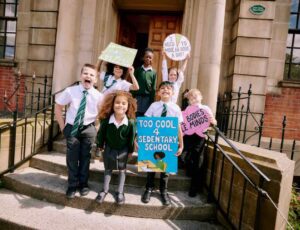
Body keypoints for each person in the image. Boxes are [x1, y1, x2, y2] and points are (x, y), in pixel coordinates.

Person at [55, 63, 103, 199]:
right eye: (86, 73)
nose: (88, 76)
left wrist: (96, 128)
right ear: (81, 76)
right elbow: (58, 107)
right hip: (72, 127)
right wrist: (62, 127)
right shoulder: (71, 91)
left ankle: (83, 184)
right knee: (72, 157)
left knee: (85, 157)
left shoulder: (99, 96)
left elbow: (101, 114)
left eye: (92, 75)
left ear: (96, 79)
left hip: (88, 128)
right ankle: (72, 184)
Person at [141, 81, 184, 206]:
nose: (165, 90)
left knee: (165, 169)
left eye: (168, 88)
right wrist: (141, 139)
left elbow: (178, 128)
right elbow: (146, 123)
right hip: (154, 139)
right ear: (158, 92)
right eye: (163, 88)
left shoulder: (176, 108)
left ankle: (163, 191)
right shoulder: (154, 106)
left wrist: (181, 145)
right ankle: (149, 188)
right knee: (151, 166)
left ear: (173, 92)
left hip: (169, 141)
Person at [95, 90, 137, 205]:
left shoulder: (131, 123)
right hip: (109, 147)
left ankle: (120, 192)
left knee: (122, 169)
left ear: (128, 106)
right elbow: (101, 134)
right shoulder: (106, 120)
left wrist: (130, 150)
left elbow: (131, 137)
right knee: (108, 168)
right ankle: (104, 190)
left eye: (124, 103)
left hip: (123, 149)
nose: (120, 105)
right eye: (117, 102)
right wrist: (100, 146)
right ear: (112, 105)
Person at [183, 88, 217, 197]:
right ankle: (189, 168)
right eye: (191, 98)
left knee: (198, 161)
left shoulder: (206, 108)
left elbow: (214, 122)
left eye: (195, 96)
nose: (193, 99)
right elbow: (183, 122)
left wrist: (212, 122)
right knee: (184, 156)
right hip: (188, 136)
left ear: (201, 97)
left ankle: (194, 187)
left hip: (199, 137)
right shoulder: (188, 108)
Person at [131, 47, 157, 117]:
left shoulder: (153, 72)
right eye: (146, 57)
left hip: (147, 98)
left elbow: (153, 88)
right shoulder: (138, 70)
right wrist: (132, 97)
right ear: (143, 58)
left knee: (145, 116)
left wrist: (152, 101)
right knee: (136, 114)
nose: (148, 59)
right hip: (137, 97)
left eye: (150, 57)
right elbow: (133, 83)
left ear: (152, 59)